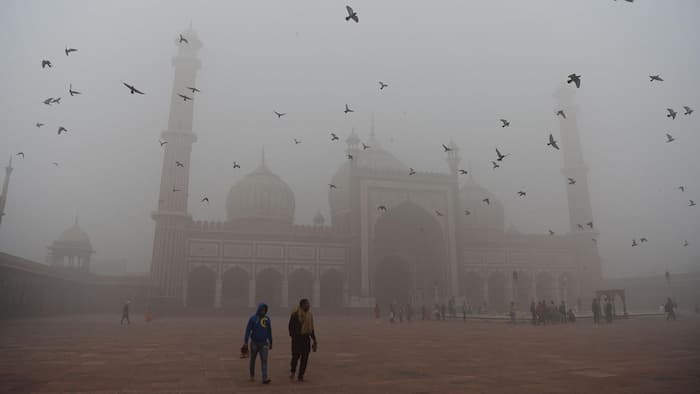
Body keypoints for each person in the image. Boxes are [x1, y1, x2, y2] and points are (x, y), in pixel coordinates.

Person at [243, 303, 273, 384]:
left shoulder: (267, 319)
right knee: (253, 359)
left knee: (264, 360)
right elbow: (248, 331)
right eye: (262, 310)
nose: (263, 311)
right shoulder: (253, 319)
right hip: (254, 343)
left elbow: (269, 331)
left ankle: (264, 377)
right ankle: (252, 374)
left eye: (264, 310)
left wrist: (271, 341)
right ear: (259, 310)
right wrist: (245, 342)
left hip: (264, 343)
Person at [288, 299, 317, 382]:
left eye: (308, 304)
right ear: (302, 305)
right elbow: (290, 327)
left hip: (306, 339)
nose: (308, 306)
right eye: (306, 304)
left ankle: (301, 375)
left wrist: (314, 339)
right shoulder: (295, 315)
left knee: (305, 358)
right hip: (297, 339)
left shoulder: (309, 315)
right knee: (295, 357)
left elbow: (311, 329)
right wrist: (293, 336)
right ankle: (293, 370)